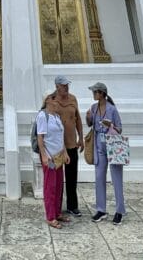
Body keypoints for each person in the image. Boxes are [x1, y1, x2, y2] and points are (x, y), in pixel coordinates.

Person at [86, 81, 125, 224]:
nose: (94, 94)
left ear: (102, 93)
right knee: (99, 177)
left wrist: (111, 125)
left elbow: (120, 128)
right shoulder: (94, 108)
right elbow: (91, 125)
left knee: (116, 179)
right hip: (99, 146)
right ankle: (101, 209)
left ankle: (120, 210)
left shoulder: (112, 109)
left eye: (95, 92)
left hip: (112, 145)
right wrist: (88, 117)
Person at [45, 75, 84, 217]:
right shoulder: (51, 100)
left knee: (72, 176)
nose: (66, 88)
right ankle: (56, 207)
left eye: (67, 85)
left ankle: (73, 206)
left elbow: (78, 118)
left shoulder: (73, 99)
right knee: (57, 179)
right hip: (56, 147)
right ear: (57, 86)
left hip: (71, 143)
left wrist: (81, 137)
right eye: (63, 85)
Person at [35, 96, 69, 229]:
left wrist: (65, 152)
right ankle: (50, 217)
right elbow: (40, 137)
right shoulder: (43, 116)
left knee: (59, 186)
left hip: (59, 156)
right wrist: (43, 155)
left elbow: (60, 137)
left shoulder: (56, 116)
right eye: (54, 98)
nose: (57, 100)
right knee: (50, 187)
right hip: (49, 156)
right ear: (48, 100)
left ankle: (57, 212)